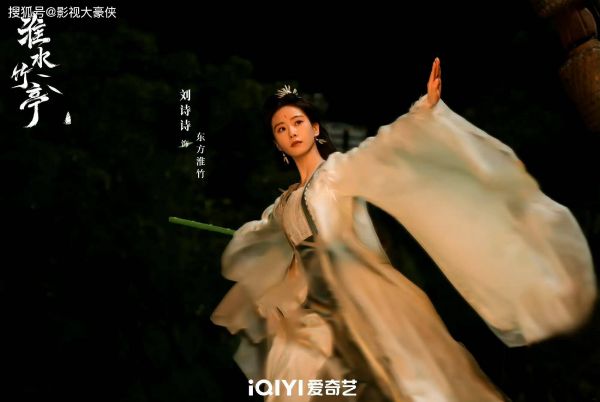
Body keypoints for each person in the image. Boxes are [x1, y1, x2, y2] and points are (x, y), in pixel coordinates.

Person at [210, 58, 597, 401]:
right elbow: (264, 240)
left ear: (314, 128)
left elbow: (384, 146)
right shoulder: (282, 206)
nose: (291, 132)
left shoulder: (337, 172)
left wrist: (424, 109)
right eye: (281, 129)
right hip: (314, 311)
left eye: (298, 123)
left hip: (364, 296)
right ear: (277, 143)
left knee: (408, 384)